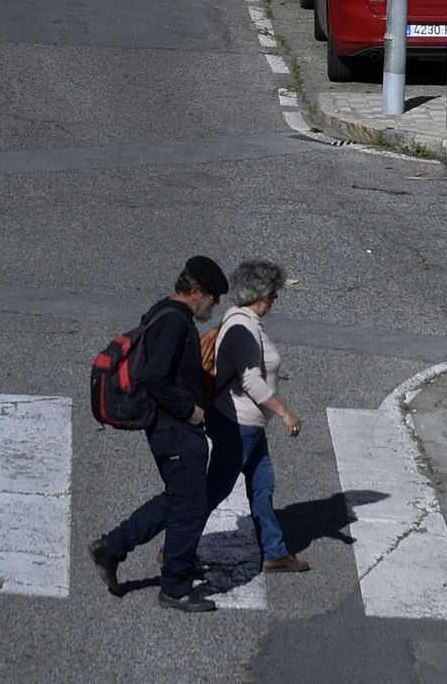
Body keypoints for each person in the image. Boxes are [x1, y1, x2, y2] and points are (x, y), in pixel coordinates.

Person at [90, 255, 228, 613]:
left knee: (180, 499)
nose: (214, 305)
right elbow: (153, 376)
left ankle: (112, 547)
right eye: (213, 297)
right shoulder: (175, 324)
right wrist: (189, 410)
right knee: (191, 505)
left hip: (169, 428)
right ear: (196, 291)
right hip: (175, 428)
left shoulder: (162, 312)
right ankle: (175, 588)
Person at [204, 258, 309, 574]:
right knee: (214, 490)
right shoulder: (243, 329)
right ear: (258, 295)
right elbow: (251, 381)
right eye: (272, 295)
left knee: (263, 484)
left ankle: (275, 551)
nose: (274, 301)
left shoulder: (239, 320)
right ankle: (172, 548)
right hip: (239, 424)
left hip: (249, 424)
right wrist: (286, 412)